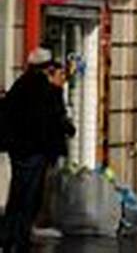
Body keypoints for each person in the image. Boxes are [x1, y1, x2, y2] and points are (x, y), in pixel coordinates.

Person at [0, 49, 74, 253]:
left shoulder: (20, 85)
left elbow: (7, 113)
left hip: (18, 150)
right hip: (37, 150)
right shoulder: (48, 90)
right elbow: (56, 120)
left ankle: (7, 236)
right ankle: (21, 239)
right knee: (30, 197)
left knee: (17, 193)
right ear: (46, 67)